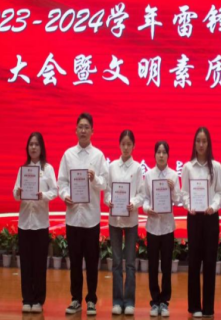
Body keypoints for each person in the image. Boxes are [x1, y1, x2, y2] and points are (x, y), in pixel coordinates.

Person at [58, 112, 108, 316]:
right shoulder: (68, 155)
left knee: (92, 261)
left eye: (87, 127)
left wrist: (95, 178)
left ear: (92, 131)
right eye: (81, 127)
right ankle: (76, 299)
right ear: (75, 130)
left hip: (91, 218)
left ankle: (92, 299)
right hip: (73, 217)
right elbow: (62, 182)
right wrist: (65, 195)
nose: (84, 130)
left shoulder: (98, 156)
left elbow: (105, 183)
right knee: (75, 261)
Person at [182, 127, 221, 318]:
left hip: (210, 217)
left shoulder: (216, 167)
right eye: (198, 141)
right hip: (193, 217)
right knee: (194, 262)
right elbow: (184, 193)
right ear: (194, 143)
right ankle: (194, 307)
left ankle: (208, 307)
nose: (201, 145)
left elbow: (220, 192)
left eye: (204, 141)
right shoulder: (187, 167)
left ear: (209, 144)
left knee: (209, 261)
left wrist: (213, 207)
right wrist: (189, 205)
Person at [13, 132, 58, 313]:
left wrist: (42, 196)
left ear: (41, 148)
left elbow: (55, 191)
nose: (33, 147)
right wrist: (19, 192)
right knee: (26, 263)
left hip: (40, 223)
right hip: (25, 223)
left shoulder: (48, 169)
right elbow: (15, 193)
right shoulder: (23, 169)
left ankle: (38, 300)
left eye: (36, 144)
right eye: (31, 144)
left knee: (39, 263)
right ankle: (27, 299)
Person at [104, 130, 145, 315]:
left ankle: (129, 302)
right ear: (119, 145)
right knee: (116, 263)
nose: (126, 147)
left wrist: (133, 203)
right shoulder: (112, 166)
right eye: (123, 144)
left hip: (131, 220)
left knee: (130, 263)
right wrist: (109, 201)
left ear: (134, 146)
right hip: (115, 220)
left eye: (129, 144)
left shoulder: (137, 168)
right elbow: (107, 192)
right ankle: (116, 301)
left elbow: (141, 194)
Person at [143, 140, 181, 317]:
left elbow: (178, 200)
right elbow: (144, 198)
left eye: (164, 152)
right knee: (152, 266)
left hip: (166, 226)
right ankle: (154, 300)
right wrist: (147, 209)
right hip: (152, 226)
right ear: (154, 154)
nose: (161, 155)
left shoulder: (173, 175)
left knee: (166, 265)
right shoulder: (148, 175)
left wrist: (173, 190)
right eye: (158, 152)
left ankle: (165, 301)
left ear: (168, 155)